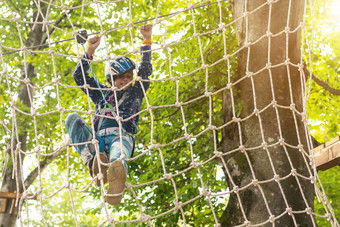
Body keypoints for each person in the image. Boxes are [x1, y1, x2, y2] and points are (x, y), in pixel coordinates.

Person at [65, 24, 153, 205]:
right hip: (98, 140)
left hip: (121, 136)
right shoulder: (101, 93)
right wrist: (89, 50)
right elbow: (80, 77)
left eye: (129, 76)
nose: (126, 80)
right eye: (122, 77)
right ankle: (94, 164)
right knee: (72, 119)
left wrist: (146, 40)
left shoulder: (136, 92)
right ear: (111, 79)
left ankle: (115, 178)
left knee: (118, 157)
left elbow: (144, 71)